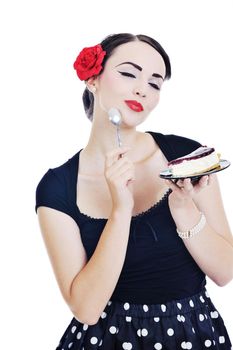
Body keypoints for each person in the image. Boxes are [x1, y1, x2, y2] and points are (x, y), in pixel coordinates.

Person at [35, 33, 233, 349]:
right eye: (129, 73)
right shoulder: (57, 187)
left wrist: (185, 212)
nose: (143, 88)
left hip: (191, 334)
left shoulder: (186, 159)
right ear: (93, 80)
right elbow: (86, 309)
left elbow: (225, 272)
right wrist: (120, 212)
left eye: (155, 83)